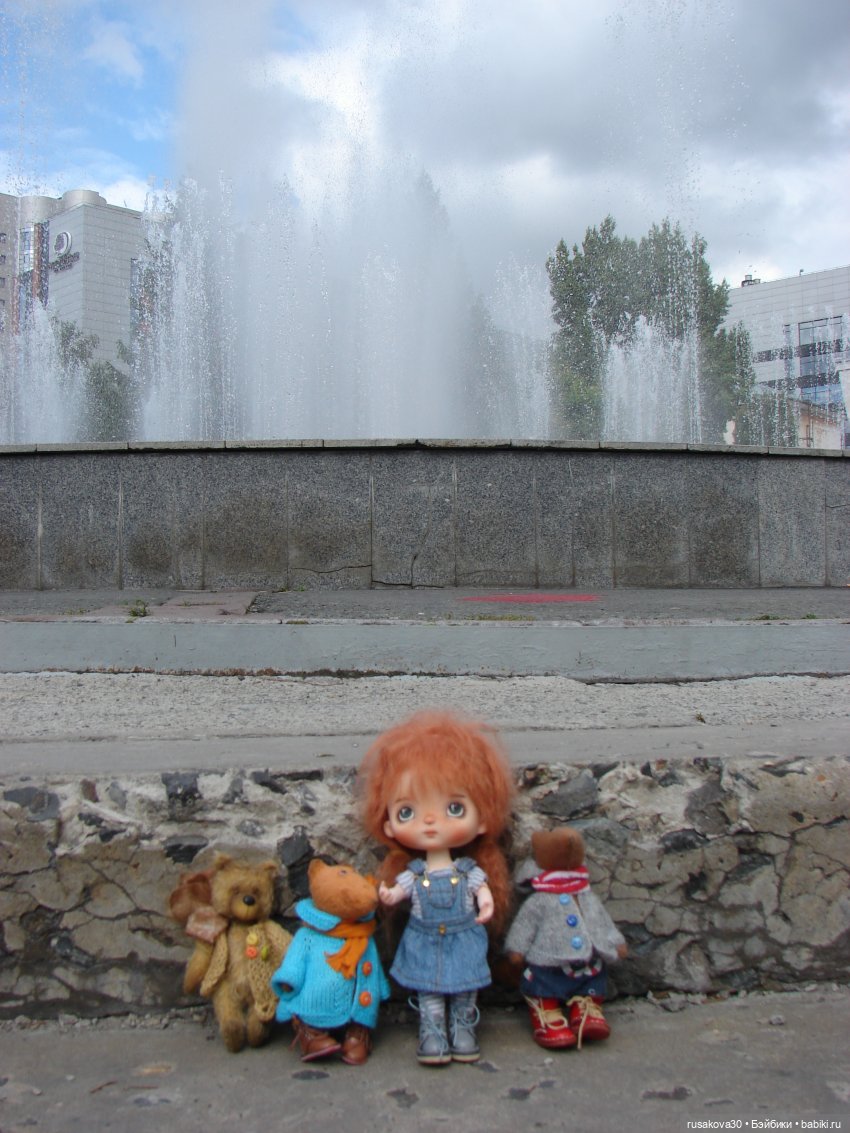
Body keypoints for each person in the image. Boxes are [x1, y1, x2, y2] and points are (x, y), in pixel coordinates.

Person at [358, 711, 514, 1066]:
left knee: (465, 989)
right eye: (407, 812)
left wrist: (486, 902)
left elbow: (481, 889)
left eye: (454, 808)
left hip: (463, 939)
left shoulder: (468, 870)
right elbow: (400, 890)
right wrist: (389, 895)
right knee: (428, 991)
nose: (430, 821)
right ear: (389, 824)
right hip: (424, 941)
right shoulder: (413, 873)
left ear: (483, 818)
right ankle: (432, 1031)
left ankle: (463, 1028)